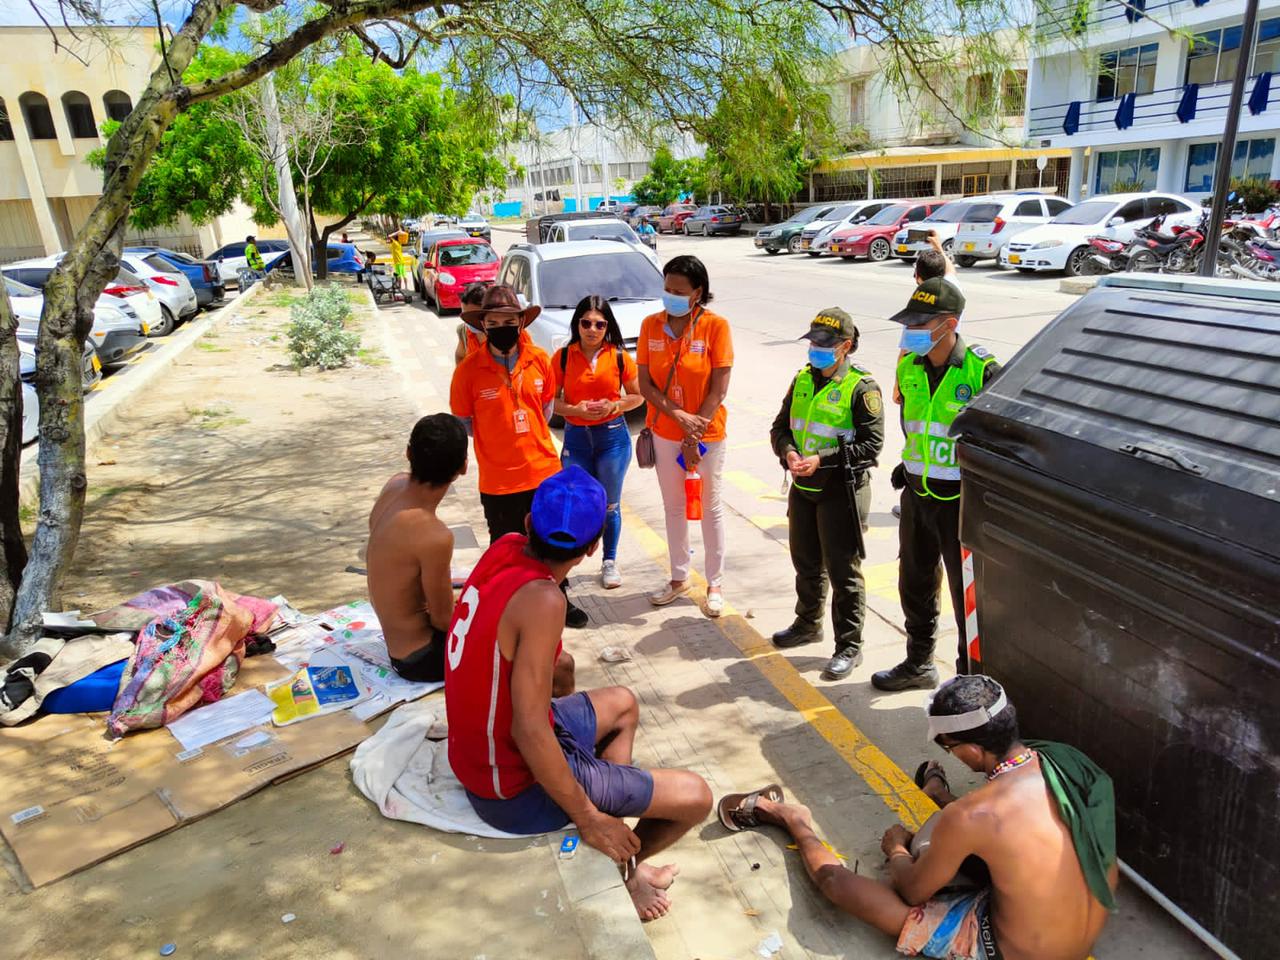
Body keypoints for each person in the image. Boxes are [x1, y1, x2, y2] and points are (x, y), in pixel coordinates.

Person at [445, 466, 713, 920]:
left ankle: (618, 845)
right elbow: (529, 730)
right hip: (507, 787)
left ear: (528, 524)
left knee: (624, 702)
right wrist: (590, 817)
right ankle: (624, 867)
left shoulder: (505, 548)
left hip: (476, 751)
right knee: (696, 797)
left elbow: (548, 677)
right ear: (592, 549)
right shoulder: (545, 600)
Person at [717, 675, 1117, 960]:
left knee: (837, 883)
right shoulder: (1064, 760)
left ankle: (790, 818)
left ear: (973, 751)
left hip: (1009, 952)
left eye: (950, 748)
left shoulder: (974, 814)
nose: (952, 755)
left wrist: (895, 851)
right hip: (1081, 939)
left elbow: (912, 891)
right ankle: (937, 794)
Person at [872, 278, 999, 691]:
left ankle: (970, 684)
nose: (910, 332)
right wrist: (907, 465)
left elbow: (1000, 441)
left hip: (961, 506)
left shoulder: (983, 371)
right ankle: (919, 663)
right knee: (914, 583)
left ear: (949, 323)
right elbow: (918, 428)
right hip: (916, 495)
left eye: (920, 324)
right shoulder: (908, 365)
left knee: (969, 602)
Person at [450, 283, 589, 628]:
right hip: (498, 481)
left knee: (553, 544)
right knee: (507, 550)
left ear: (521, 321)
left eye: (508, 321)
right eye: (493, 323)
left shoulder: (540, 360)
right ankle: (513, 610)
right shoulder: (468, 371)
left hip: (542, 472)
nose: (501, 329)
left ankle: (560, 601)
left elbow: (544, 409)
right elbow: (465, 421)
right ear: (483, 325)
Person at [768, 307, 884, 680]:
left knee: (843, 572)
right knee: (805, 562)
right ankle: (808, 623)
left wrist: (822, 458)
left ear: (845, 346)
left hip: (841, 492)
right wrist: (788, 452)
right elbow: (780, 427)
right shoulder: (802, 379)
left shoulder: (861, 388)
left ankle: (849, 645)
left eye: (823, 344)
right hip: (803, 487)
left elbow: (872, 445)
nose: (814, 350)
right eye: (812, 342)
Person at [636, 255, 733, 617]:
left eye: (679, 291)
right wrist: (676, 416)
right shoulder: (651, 326)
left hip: (708, 434)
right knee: (674, 506)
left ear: (698, 293)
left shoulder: (715, 327)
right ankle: (679, 578)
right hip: (664, 431)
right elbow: (645, 383)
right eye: (667, 289)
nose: (671, 296)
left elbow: (718, 388)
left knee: (709, 507)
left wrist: (694, 434)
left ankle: (716, 583)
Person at [365, 414, 467, 682]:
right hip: (418, 659)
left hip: (395, 638)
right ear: (464, 467)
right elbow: (444, 620)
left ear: (409, 453)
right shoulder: (435, 536)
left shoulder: (394, 484)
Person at [552, 296, 645, 589]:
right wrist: (574, 410)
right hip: (576, 439)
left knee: (610, 505)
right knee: (573, 500)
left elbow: (638, 396)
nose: (592, 329)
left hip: (612, 440)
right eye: (586, 322)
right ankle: (564, 562)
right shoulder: (563, 357)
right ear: (577, 323)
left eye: (599, 324)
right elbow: (550, 402)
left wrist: (614, 405)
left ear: (607, 327)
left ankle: (609, 562)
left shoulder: (618, 356)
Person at [454, 282, 487, 366]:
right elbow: (460, 355)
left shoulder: (501, 331)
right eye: (465, 315)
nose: (468, 321)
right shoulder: (463, 331)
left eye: (472, 316)